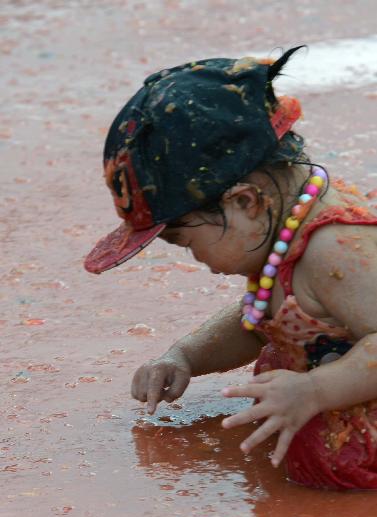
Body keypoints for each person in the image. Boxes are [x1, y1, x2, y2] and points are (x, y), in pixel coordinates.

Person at [85, 47, 377, 490]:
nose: (193, 257)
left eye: (184, 240)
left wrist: (317, 391)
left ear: (245, 202)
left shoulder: (334, 249)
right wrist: (183, 356)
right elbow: (258, 320)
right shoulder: (280, 239)